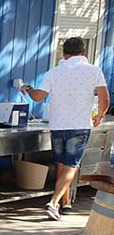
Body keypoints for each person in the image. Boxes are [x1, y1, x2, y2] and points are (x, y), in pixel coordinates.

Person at [21, 36, 109, 220]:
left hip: (58, 126)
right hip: (79, 126)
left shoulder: (54, 72)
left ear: (63, 53)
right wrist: (100, 115)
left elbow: (38, 97)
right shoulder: (93, 71)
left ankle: (65, 203)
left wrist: (27, 89)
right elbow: (104, 98)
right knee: (72, 165)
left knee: (61, 163)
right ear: (83, 52)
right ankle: (53, 203)